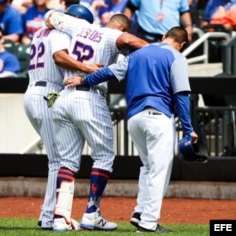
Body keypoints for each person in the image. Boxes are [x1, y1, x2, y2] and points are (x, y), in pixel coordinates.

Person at [64, 26, 199, 233]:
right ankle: (148, 223)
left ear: (163, 37)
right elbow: (181, 95)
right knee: (159, 171)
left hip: (134, 118)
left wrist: (83, 79)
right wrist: (189, 130)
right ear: (181, 45)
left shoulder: (138, 53)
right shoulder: (177, 56)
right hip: (158, 116)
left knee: (147, 166)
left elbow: (109, 72)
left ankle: (139, 213)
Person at [45, 10, 148, 231]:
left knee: (68, 162)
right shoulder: (114, 35)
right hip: (89, 96)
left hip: (63, 97)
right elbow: (129, 41)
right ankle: (91, 213)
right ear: (122, 28)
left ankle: (60, 218)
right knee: (104, 156)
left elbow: (50, 16)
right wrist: (157, 49)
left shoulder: (81, 26)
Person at [23, 5, 100, 230]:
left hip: (36, 91)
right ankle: (49, 216)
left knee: (56, 157)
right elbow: (59, 58)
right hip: (46, 93)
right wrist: (88, 68)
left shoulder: (40, 32)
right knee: (58, 159)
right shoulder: (59, 33)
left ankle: (48, 214)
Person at [123, 0, 193, 42]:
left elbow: (184, 11)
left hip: (170, 37)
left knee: (166, 65)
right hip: (145, 35)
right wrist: (124, 26)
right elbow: (130, 7)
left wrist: (188, 26)